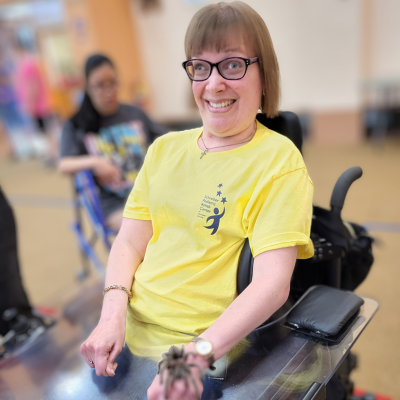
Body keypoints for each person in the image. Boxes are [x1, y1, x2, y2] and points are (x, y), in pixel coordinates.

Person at [80, 2, 314, 399]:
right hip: (130, 332)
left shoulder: (278, 161)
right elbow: (130, 241)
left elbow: (272, 285)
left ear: (263, 73)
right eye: (200, 67)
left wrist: (193, 357)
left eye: (233, 65)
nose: (214, 83)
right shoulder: (163, 149)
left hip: (203, 345)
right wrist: (111, 316)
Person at [59, 54, 167, 231]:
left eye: (113, 82)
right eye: (100, 86)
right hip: (115, 203)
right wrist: (95, 162)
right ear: (87, 87)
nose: (109, 90)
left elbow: (164, 138)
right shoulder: (76, 124)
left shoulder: (134, 113)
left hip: (153, 193)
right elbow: (64, 165)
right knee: (145, 230)